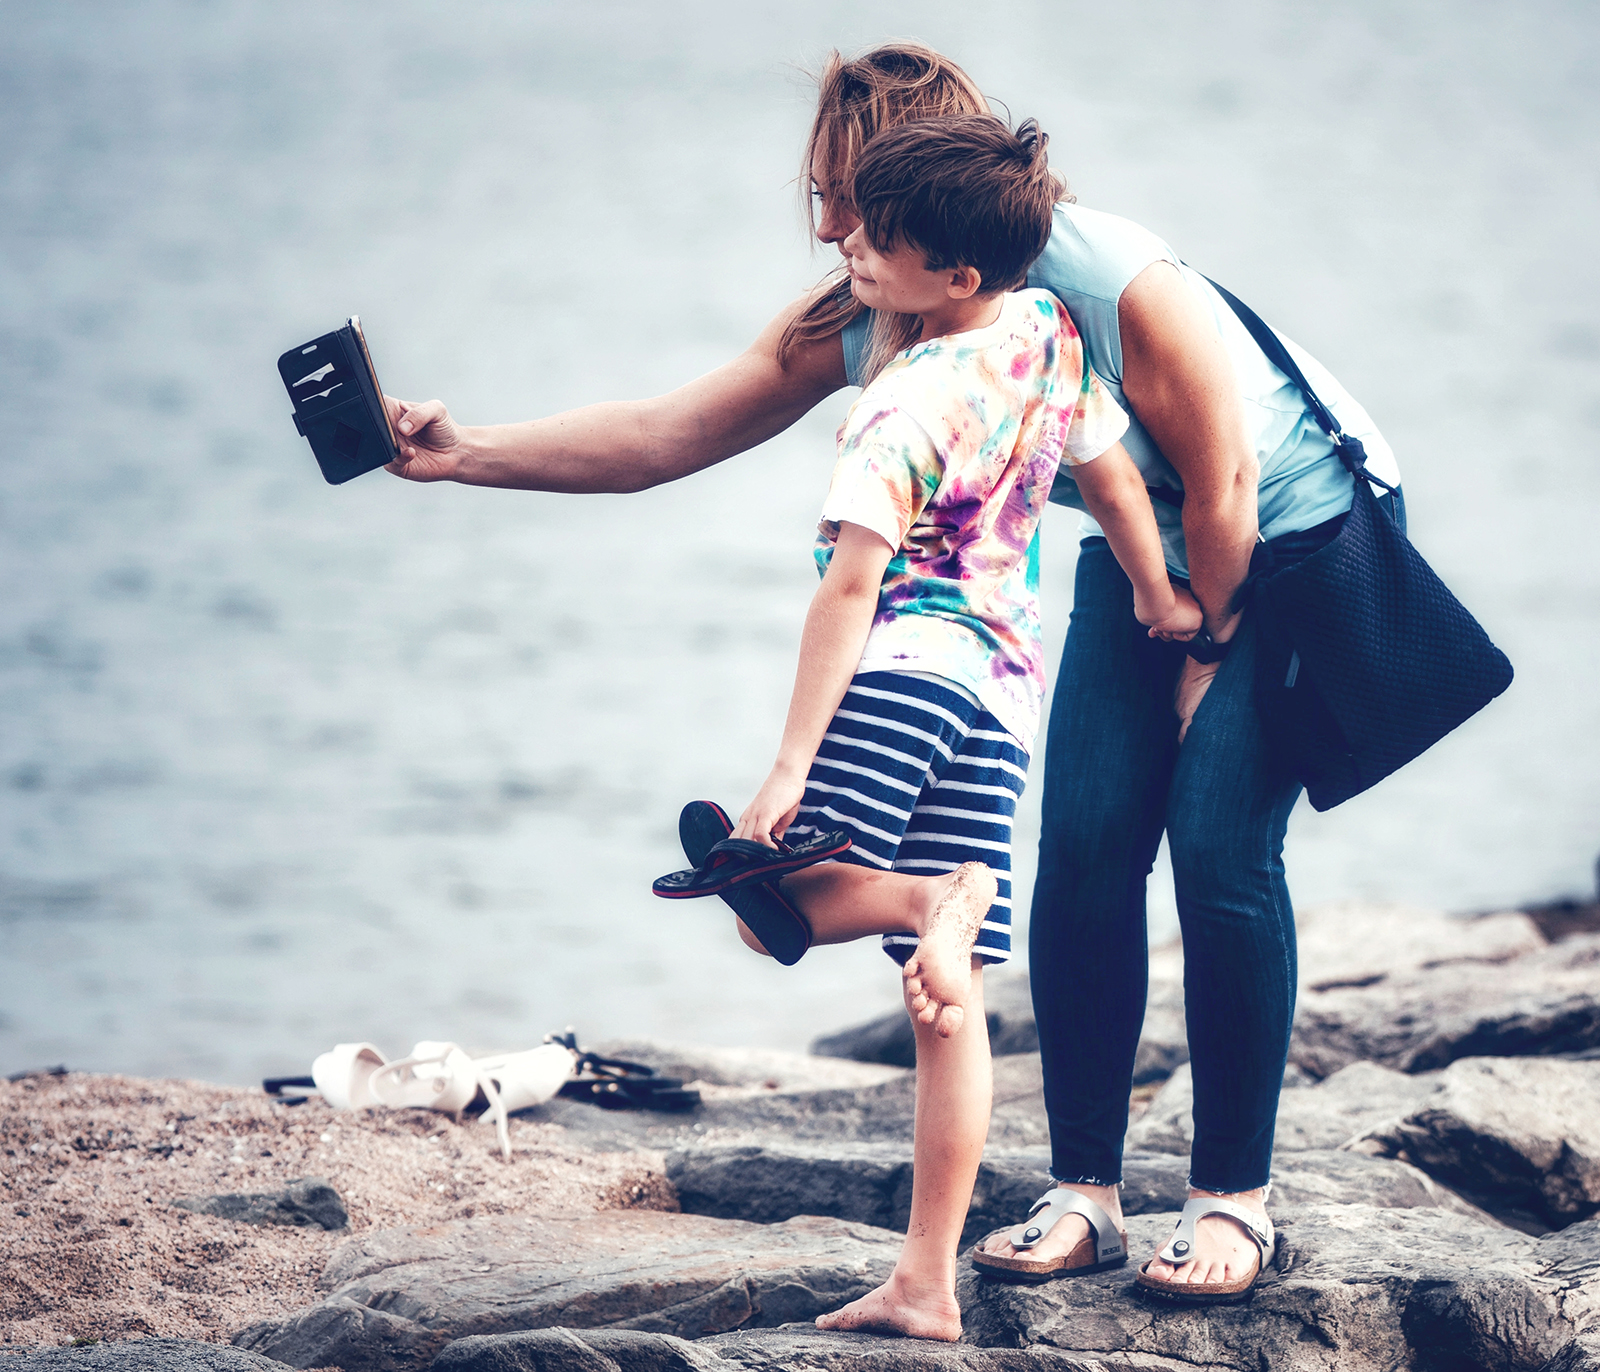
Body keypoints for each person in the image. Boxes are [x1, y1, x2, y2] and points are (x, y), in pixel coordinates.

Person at [382, 42, 1400, 1304]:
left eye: (842, 199)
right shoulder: (884, 309)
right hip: (1149, 554)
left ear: (927, 197)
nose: (825, 229)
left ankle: (1232, 1204)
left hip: (1291, 543)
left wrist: (1206, 638)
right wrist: (459, 451)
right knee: (1083, 841)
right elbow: (665, 436)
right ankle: (1085, 1193)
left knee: (1217, 840)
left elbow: (1230, 480)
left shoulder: (1101, 274)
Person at [654, 113, 1199, 1338]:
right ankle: (927, 1280)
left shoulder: (901, 403)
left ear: (953, 275)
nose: (848, 251)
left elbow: (848, 586)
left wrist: (786, 767)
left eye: (876, 245)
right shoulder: (1048, 332)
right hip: (1004, 695)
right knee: (944, 1007)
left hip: (901, 671)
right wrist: (1161, 597)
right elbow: (1111, 479)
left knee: (776, 909)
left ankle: (917, 901)